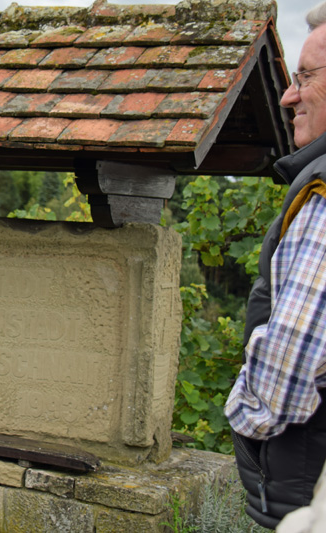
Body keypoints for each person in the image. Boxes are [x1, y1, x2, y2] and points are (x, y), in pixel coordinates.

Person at [224, 2, 326, 529]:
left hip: (304, 488)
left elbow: (290, 361)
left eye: (305, 77)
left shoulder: (323, 193)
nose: (287, 95)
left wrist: (245, 424)